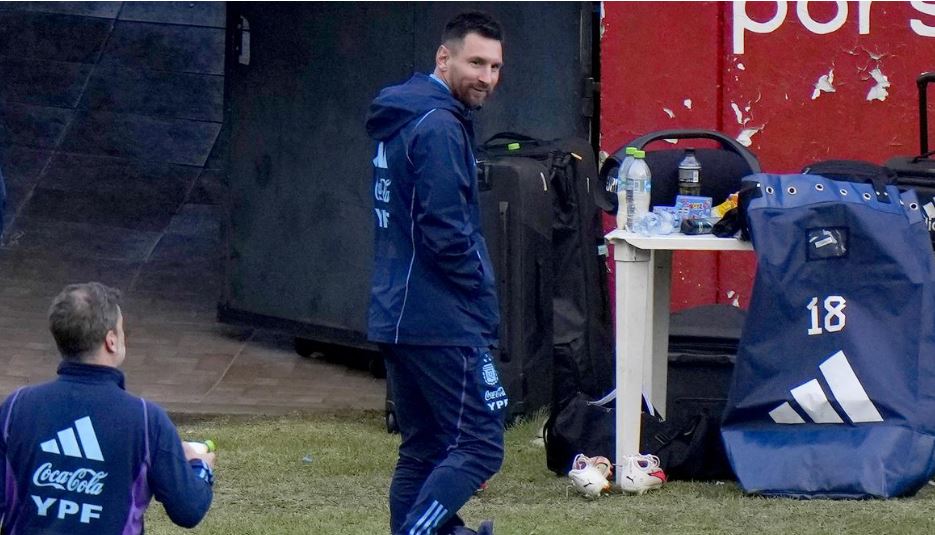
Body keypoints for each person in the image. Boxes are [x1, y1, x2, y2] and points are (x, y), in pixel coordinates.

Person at [365, 11, 507, 535]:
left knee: (424, 448)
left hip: (397, 311)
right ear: (443, 58)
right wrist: (481, 291)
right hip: (439, 318)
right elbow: (445, 233)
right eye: (476, 63)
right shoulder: (439, 126)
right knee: (481, 444)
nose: (486, 77)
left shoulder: (405, 113)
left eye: (495, 67)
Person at [0, 282, 215, 534]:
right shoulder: (147, 420)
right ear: (111, 341)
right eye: (122, 330)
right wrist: (200, 466)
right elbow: (189, 509)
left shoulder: (15, 408)